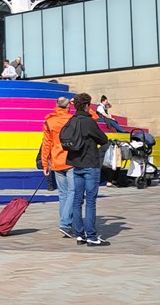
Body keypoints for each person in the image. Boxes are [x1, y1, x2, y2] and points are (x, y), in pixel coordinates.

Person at [65, 93, 111, 246]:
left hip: (75, 164)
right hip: (90, 164)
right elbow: (103, 139)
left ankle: (80, 235)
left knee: (78, 200)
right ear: (86, 106)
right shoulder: (88, 121)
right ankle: (91, 236)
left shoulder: (71, 120)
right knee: (90, 201)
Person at [40, 97, 76, 238]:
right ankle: (65, 223)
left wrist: (45, 163)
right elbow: (93, 117)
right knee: (73, 191)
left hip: (56, 161)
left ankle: (65, 223)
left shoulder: (49, 121)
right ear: (68, 106)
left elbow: (46, 144)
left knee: (63, 194)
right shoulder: (72, 119)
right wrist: (77, 104)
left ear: (56, 105)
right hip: (71, 160)